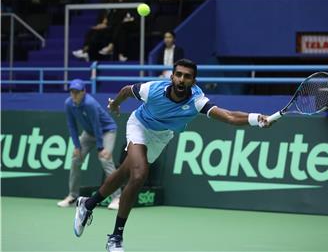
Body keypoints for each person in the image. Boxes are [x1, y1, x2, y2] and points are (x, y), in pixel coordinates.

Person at [72, 59, 271, 252]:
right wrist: (115, 105)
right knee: (139, 175)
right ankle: (116, 236)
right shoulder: (153, 89)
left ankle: (87, 204)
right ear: (172, 77)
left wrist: (255, 119)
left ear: (193, 81)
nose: (181, 80)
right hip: (139, 126)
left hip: (162, 136)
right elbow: (126, 91)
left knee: (125, 173)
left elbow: (228, 116)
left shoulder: (197, 101)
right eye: (178, 75)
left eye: (187, 77)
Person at [57, 79, 121, 210]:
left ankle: (118, 197)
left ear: (84, 92)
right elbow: (72, 126)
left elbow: (96, 125)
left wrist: (100, 147)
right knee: (76, 159)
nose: (74, 95)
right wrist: (77, 146)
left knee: (105, 159)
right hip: (89, 133)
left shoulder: (90, 103)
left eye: (77, 92)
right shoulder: (69, 104)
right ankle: (73, 196)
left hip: (107, 131)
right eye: (72, 92)